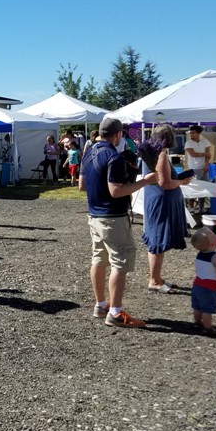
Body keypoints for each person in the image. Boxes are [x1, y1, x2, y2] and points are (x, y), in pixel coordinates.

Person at [79, 117, 159, 328]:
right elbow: (116, 192)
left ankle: (100, 304)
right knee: (120, 260)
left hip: (94, 215)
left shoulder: (88, 154)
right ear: (117, 135)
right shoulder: (113, 156)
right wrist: (145, 181)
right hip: (112, 217)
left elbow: (82, 186)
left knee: (98, 258)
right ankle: (115, 312)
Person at [142, 124, 193, 294]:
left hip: (156, 199)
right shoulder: (161, 154)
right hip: (162, 201)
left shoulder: (152, 152)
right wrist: (182, 182)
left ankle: (156, 277)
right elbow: (165, 183)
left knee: (157, 239)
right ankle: (154, 280)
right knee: (158, 240)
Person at [184, 124, 213, 214]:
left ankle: (201, 207)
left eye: (193, 133)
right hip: (194, 168)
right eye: (191, 133)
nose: (191, 135)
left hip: (203, 168)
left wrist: (206, 165)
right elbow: (193, 154)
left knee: (204, 189)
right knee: (194, 188)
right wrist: (204, 154)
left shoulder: (205, 141)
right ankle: (191, 207)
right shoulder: (188, 143)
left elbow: (209, 155)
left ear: (199, 133)